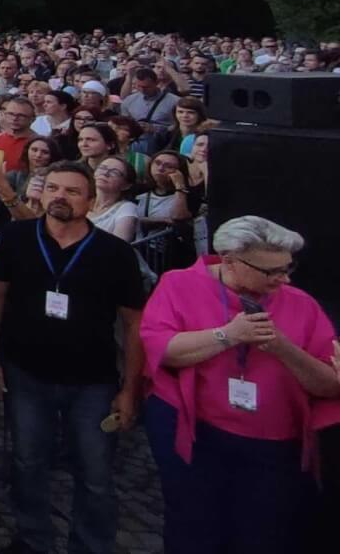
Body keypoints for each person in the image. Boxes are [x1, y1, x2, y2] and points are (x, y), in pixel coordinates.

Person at [139, 215, 340, 554]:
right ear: (230, 261)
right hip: (200, 436)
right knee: (194, 529)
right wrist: (227, 336)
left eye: (287, 268)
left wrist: (284, 349)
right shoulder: (179, 284)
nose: (283, 279)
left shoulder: (301, 304)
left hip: (274, 448)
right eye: (270, 271)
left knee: (263, 534)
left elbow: (331, 387)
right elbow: (162, 349)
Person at [0, 161, 146, 554]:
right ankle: (33, 539)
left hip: (93, 379)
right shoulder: (18, 237)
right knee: (27, 463)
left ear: (90, 201)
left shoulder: (114, 253)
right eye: (53, 188)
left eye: (72, 191)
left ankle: (90, 545)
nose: (59, 196)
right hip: (26, 372)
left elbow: (134, 322)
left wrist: (130, 388)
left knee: (95, 473)